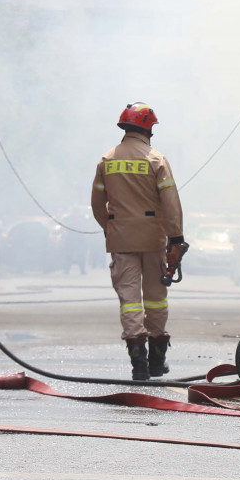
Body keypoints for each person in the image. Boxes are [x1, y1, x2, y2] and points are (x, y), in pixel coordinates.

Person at [91, 102, 186, 380]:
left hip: (121, 239)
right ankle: (157, 360)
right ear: (148, 128)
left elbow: (97, 203)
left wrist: (110, 228)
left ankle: (139, 364)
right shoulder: (156, 160)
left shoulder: (107, 160)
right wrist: (176, 238)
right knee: (155, 299)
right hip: (153, 239)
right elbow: (171, 204)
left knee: (129, 300)